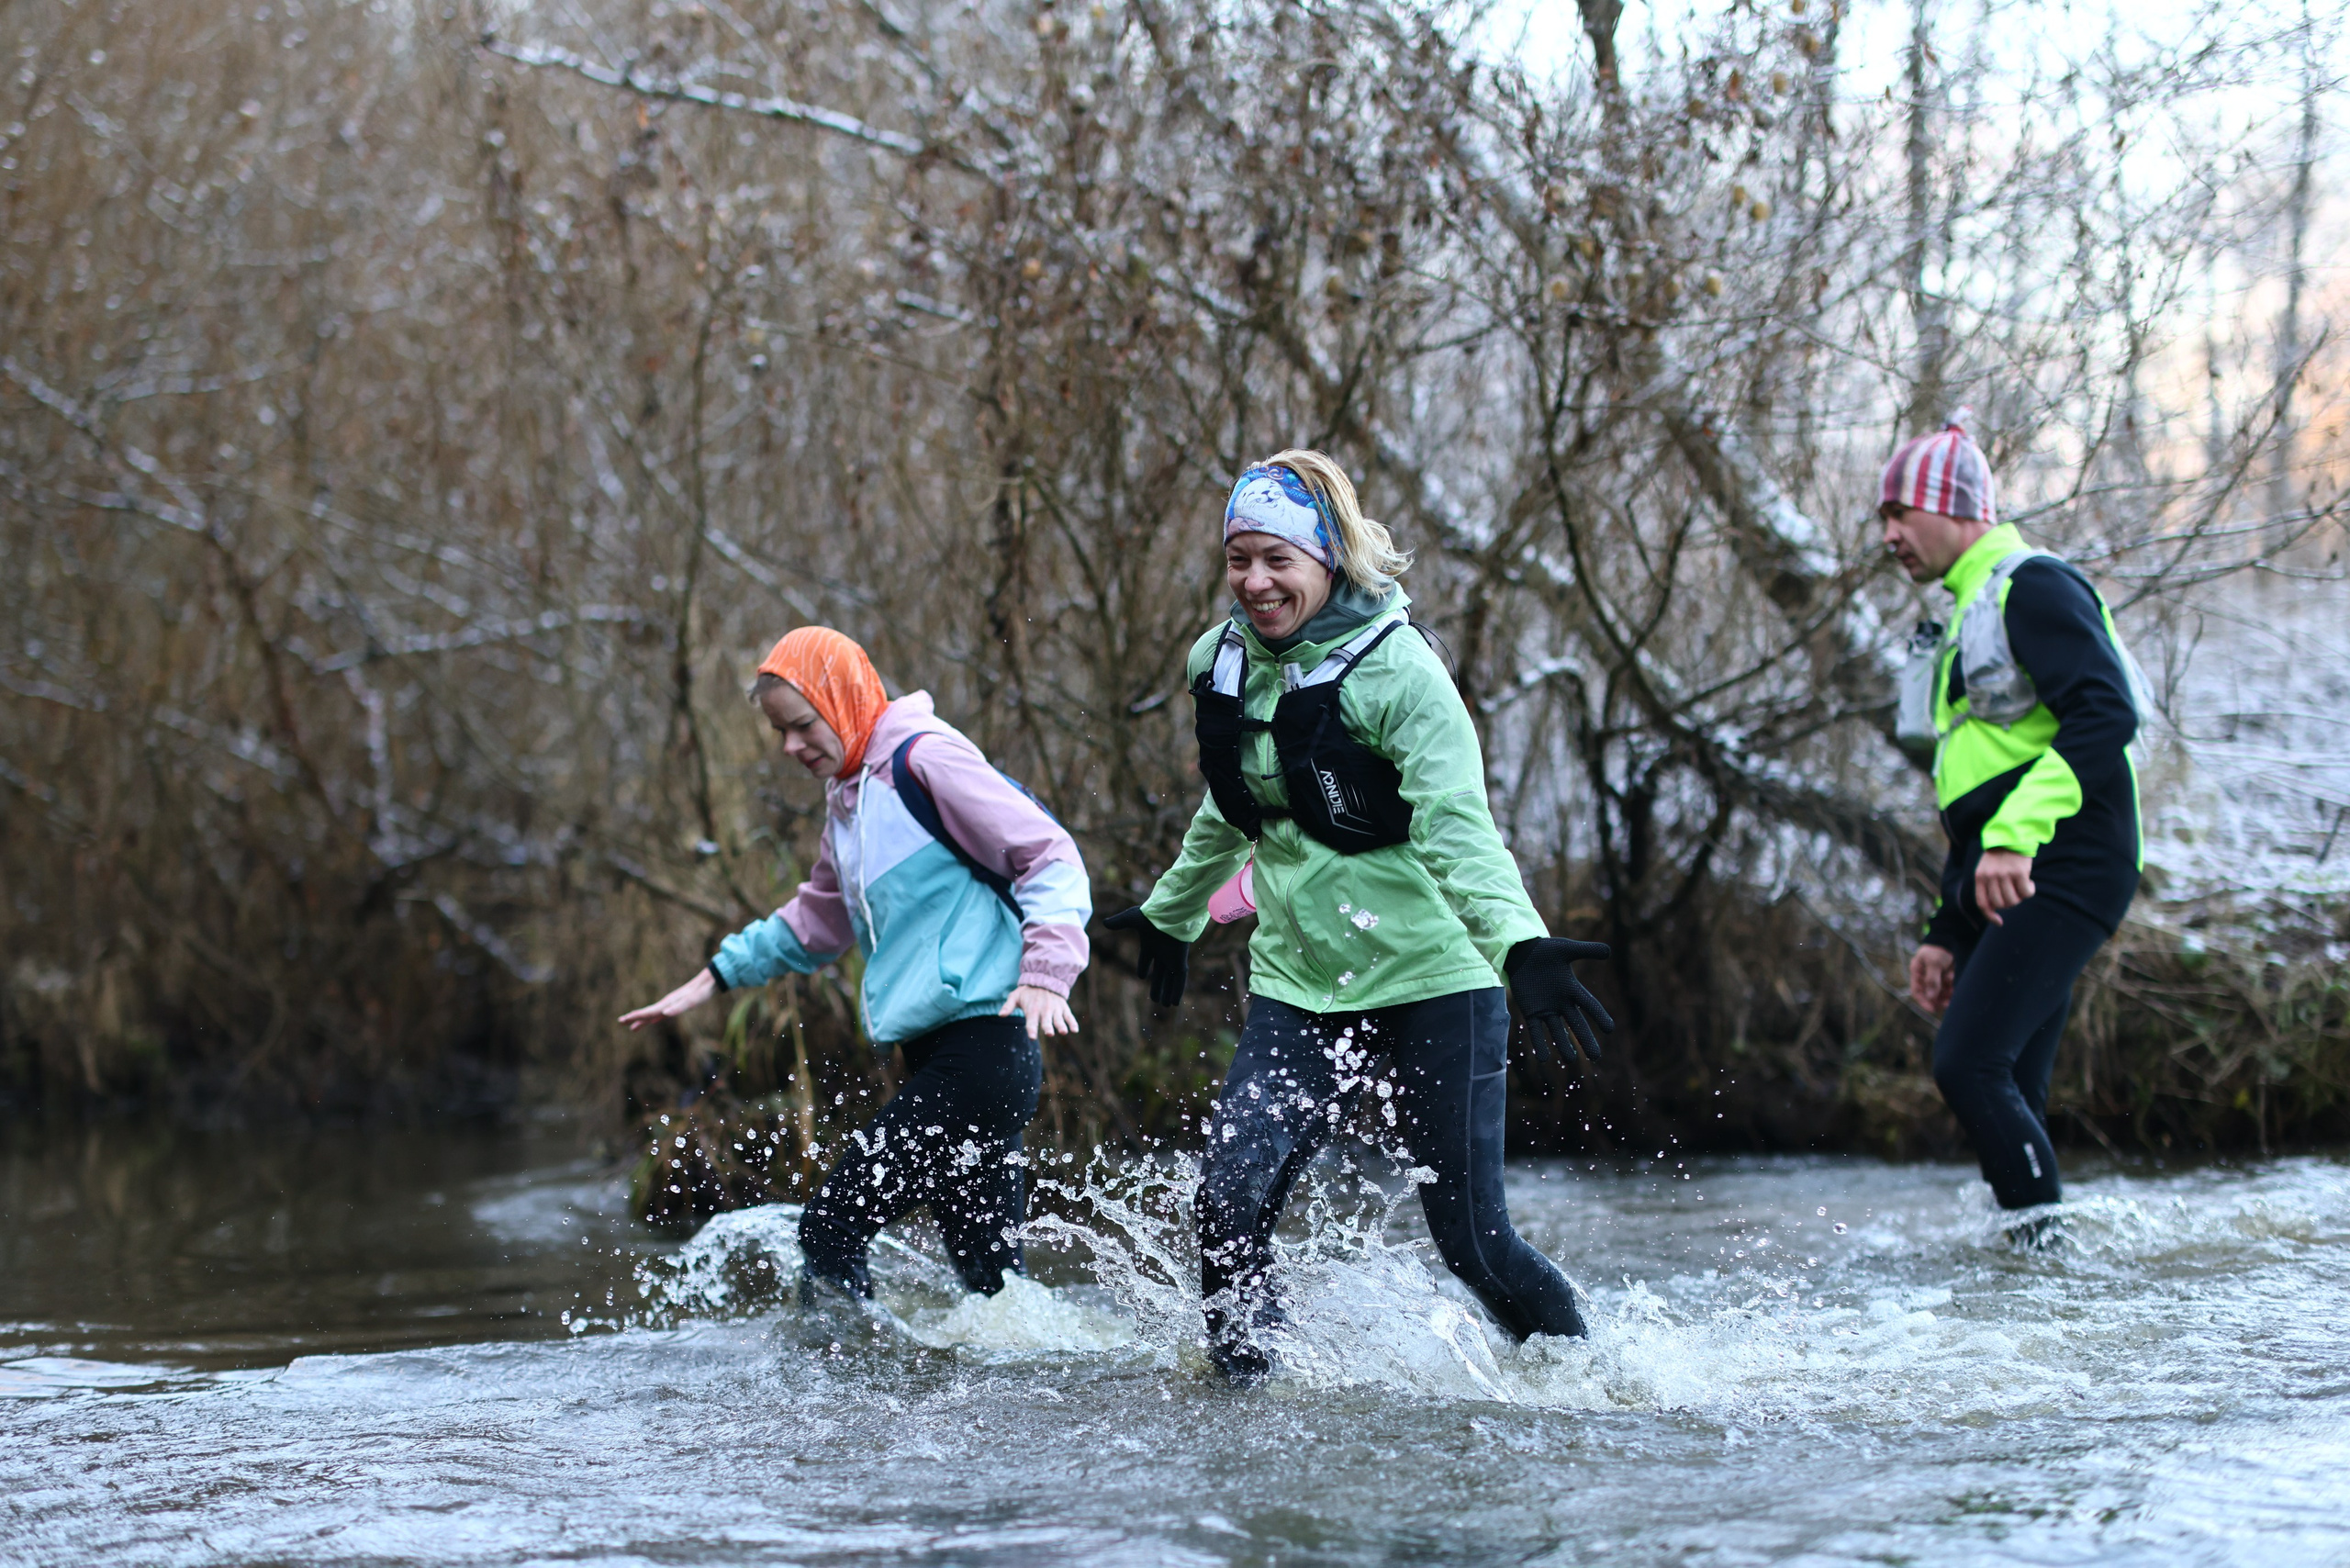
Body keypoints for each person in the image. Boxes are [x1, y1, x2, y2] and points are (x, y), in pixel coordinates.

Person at [1102, 450, 1616, 1382]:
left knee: (1473, 1243)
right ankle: (1246, 1401)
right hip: (1300, 986)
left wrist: (1519, 944)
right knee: (1227, 1200)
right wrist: (1170, 912)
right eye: (1239, 559)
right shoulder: (1220, 663)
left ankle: (1593, 1383)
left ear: (1328, 558)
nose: (1256, 581)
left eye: (1279, 559)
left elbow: (1457, 827)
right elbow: (1235, 803)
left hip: (1435, 980)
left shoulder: (1402, 673)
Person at [621, 626, 1091, 1298]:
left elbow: (1048, 853)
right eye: (780, 732)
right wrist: (713, 977)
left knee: (830, 1228)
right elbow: (818, 918)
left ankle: (838, 1368)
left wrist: (1047, 971)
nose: (791, 746)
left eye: (802, 725)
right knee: (993, 1290)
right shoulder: (849, 799)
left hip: (983, 1052)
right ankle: (1063, 1361)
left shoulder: (924, 760)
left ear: (842, 700)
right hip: (943, 1057)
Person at [1882, 417, 2141, 1230]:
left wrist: (2014, 837)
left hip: (2068, 860)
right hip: (2013, 868)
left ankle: (2044, 1256)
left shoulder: (2033, 586)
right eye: (1883, 518)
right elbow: (1976, 805)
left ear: (1956, 508)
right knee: (2009, 1081)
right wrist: (1945, 931)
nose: (1889, 535)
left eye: (1901, 513)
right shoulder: (1964, 614)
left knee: (1968, 1065)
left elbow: (2107, 713)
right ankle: (2032, 1266)